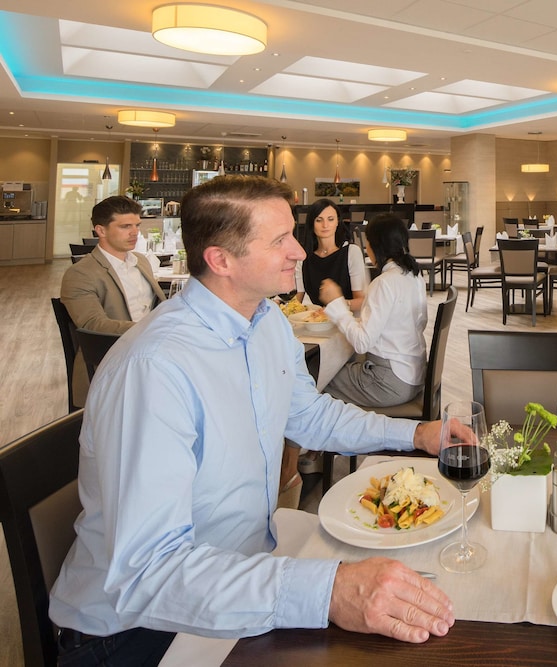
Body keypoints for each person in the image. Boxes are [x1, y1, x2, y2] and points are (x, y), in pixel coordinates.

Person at [49, 176, 457, 665]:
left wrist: (415, 433)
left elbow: (309, 415)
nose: (299, 252)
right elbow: (147, 573)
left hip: (240, 575)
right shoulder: (154, 369)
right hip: (139, 632)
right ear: (221, 260)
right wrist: (330, 591)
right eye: (280, 240)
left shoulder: (265, 322)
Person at [60, 195, 167, 406]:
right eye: (125, 226)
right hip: (110, 363)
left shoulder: (141, 261)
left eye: (137, 225)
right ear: (101, 230)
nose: (135, 232)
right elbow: (93, 325)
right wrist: (150, 329)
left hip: (152, 354)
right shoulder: (80, 274)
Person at [319, 213, 427, 408]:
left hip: (389, 383)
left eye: (367, 242)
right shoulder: (414, 277)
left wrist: (336, 302)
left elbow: (362, 343)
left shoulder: (384, 283)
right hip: (414, 376)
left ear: (376, 246)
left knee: (316, 375)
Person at [300, 198, 368, 311]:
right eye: (319, 220)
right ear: (312, 223)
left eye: (330, 219)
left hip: (346, 319)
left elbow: (362, 301)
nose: (325, 225)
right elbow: (298, 297)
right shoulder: (304, 258)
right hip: (316, 319)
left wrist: (335, 305)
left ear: (337, 222)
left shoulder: (351, 252)